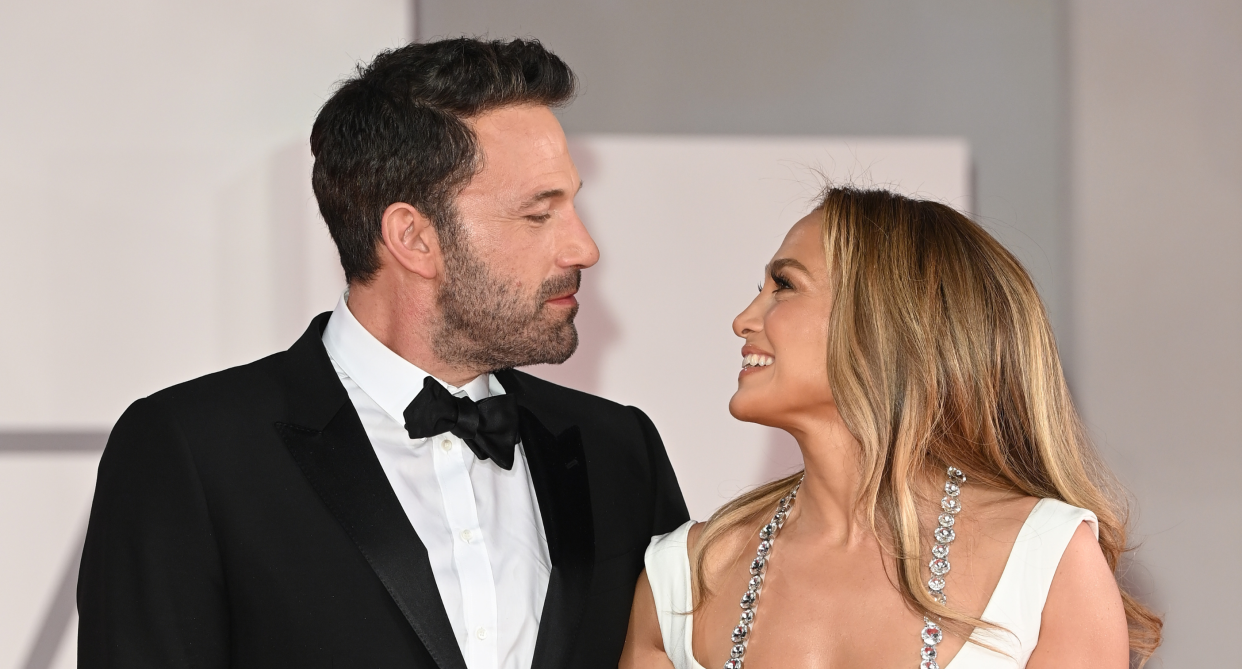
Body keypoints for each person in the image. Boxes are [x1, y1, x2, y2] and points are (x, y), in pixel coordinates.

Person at [77, 38, 688, 669]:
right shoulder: (194, 452)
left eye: (572, 205)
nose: (583, 249)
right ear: (414, 238)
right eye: (539, 215)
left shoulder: (619, 450)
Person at [620, 187, 1163, 669]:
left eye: (784, 285)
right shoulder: (684, 576)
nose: (744, 318)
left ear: (884, 321)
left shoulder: (1045, 560)